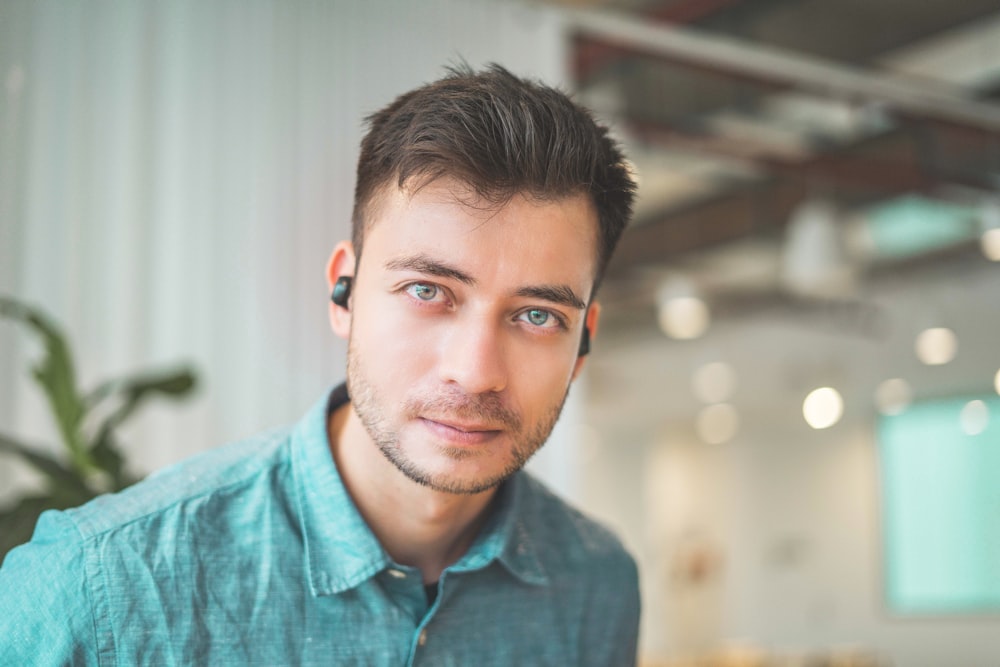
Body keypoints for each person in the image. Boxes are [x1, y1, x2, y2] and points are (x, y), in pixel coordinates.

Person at [0, 64, 640, 665]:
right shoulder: (95, 585)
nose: (475, 374)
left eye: (536, 316)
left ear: (582, 341)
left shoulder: (597, 582)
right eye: (427, 291)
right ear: (345, 291)